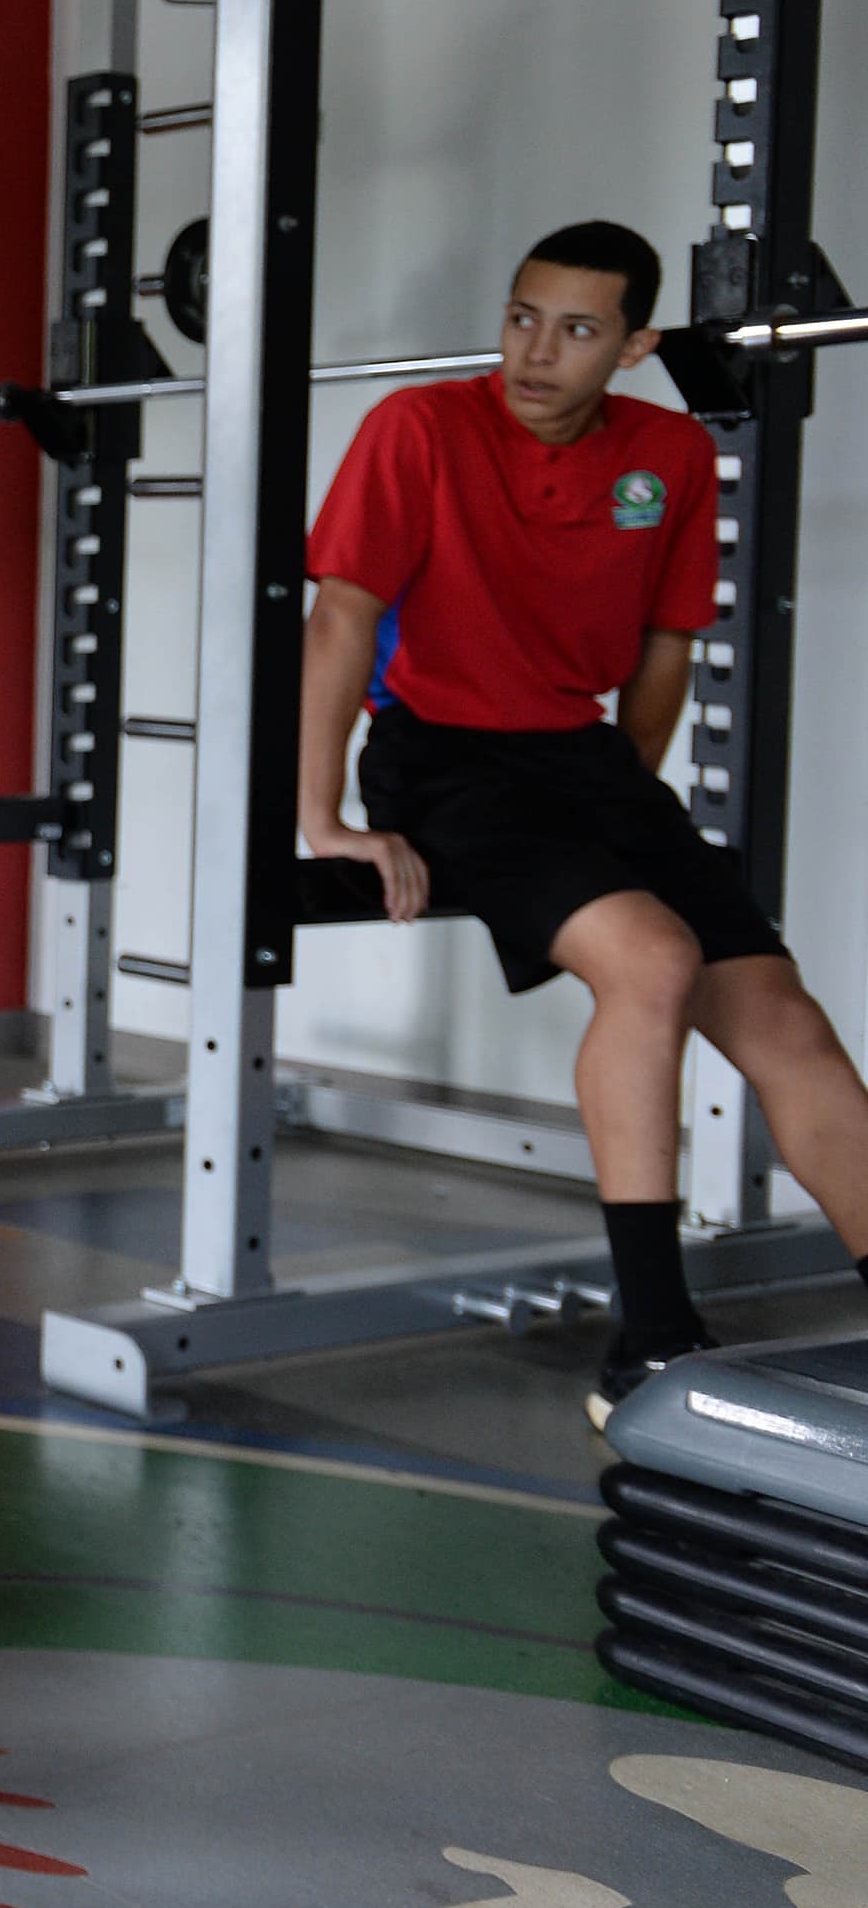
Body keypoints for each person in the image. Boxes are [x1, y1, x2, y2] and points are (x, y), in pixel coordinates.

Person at [300, 220, 868, 1427]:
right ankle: (652, 1341)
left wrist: (621, 793)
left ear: (635, 344)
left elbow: (667, 645)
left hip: (586, 763)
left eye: (576, 328)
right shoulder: (420, 430)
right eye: (522, 316)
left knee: (785, 1017)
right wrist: (324, 813)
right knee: (651, 959)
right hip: (444, 761)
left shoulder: (668, 449)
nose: (536, 351)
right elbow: (342, 618)